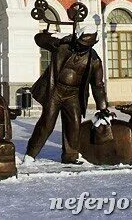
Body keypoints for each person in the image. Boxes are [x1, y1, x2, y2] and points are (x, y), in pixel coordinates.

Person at [24, 19, 111, 164]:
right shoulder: (64, 47)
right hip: (55, 91)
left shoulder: (94, 60)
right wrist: (56, 40)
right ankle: (30, 154)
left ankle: (70, 156)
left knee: (74, 124)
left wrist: (102, 107)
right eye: (80, 44)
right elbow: (38, 39)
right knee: (47, 123)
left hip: (73, 95)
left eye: (86, 46)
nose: (82, 47)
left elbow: (98, 85)